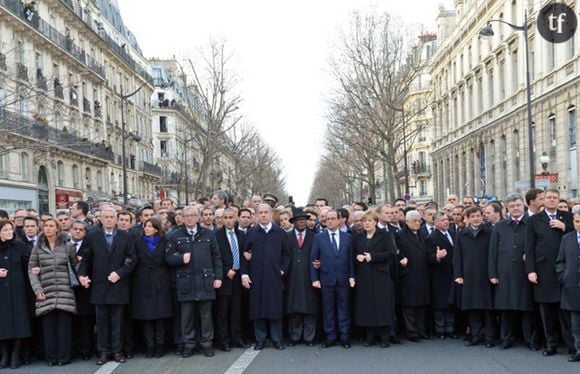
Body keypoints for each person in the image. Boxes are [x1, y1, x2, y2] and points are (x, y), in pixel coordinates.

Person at [77, 208, 137, 366]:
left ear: (116, 219)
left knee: (117, 321)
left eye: (112, 217)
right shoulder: (92, 236)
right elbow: (85, 259)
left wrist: (120, 273)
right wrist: (82, 275)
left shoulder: (126, 236)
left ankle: (117, 351)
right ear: (101, 220)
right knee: (102, 321)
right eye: (106, 217)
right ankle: (103, 352)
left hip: (118, 284)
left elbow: (131, 258)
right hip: (100, 285)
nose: (109, 220)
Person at [165, 206, 223, 358]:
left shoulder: (209, 234)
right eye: (186, 216)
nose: (190, 218)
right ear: (182, 218)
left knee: (206, 316)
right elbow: (168, 258)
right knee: (187, 317)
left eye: (193, 215)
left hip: (205, 281)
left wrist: (218, 277)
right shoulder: (175, 235)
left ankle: (206, 344)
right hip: (186, 282)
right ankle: (189, 345)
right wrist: (180, 258)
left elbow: (216, 257)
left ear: (198, 217)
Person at [525, 188, 574, 356]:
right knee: (546, 312)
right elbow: (529, 248)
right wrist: (530, 270)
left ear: (559, 199)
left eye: (555, 197)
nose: (552, 200)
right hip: (543, 271)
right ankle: (550, 344)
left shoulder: (568, 218)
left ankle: (571, 345)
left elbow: (577, 236)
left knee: (566, 310)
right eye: (549, 197)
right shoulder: (534, 220)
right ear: (543, 200)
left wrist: (564, 227)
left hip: (565, 270)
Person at [488, 193, 539, 351]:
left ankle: (531, 340)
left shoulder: (532, 223)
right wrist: (493, 274)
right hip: (505, 272)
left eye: (517, 205)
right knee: (506, 309)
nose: (515, 209)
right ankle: (506, 339)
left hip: (526, 272)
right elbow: (493, 252)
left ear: (523, 205)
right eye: (511, 206)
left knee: (527, 309)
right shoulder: (500, 226)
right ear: (507, 209)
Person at [28, 218, 77, 367]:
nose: (48, 229)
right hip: (46, 290)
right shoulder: (38, 247)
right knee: (48, 327)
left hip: (65, 290)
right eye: (46, 226)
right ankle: (51, 357)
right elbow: (32, 269)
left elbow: (75, 266)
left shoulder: (67, 246)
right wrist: (38, 290)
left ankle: (64, 357)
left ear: (57, 228)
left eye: (51, 226)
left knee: (64, 327)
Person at [241, 204, 291, 350]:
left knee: (275, 308)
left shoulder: (280, 233)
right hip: (255, 276)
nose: (263, 215)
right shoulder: (251, 233)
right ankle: (260, 339)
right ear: (256, 216)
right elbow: (244, 255)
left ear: (271, 215)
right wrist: (244, 274)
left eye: (266, 212)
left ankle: (277, 339)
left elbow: (286, 254)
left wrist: (282, 270)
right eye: (260, 213)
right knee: (257, 309)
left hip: (274, 277)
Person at [310, 210, 355, 349]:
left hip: (343, 278)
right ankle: (330, 336)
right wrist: (315, 278)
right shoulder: (319, 238)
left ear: (339, 220)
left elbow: (351, 259)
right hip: (326, 279)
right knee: (328, 310)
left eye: (333, 218)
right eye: (327, 219)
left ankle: (344, 336)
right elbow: (313, 259)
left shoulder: (347, 237)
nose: (330, 221)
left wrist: (352, 276)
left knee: (344, 308)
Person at [454, 206, 495, 348]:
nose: (476, 219)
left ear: (482, 216)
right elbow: (457, 256)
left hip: (485, 274)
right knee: (472, 308)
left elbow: (494, 255)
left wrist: (493, 274)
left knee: (488, 308)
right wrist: (458, 274)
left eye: (478, 216)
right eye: (473, 216)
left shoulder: (489, 232)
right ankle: (475, 335)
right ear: (468, 219)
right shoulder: (462, 234)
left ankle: (489, 336)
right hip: (468, 275)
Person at [131, 218, 172, 358]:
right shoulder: (137, 242)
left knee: (160, 316)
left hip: (160, 280)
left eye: (150, 226)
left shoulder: (164, 242)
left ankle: (160, 346)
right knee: (146, 316)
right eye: (145, 226)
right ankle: (150, 346)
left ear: (156, 228)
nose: (147, 229)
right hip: (143, 281)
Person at [354, 211, 395, 347]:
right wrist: (358, 257)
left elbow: (390, 253)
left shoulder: (385, 235)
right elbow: (354, 252)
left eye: (369, 221)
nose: (366, 223)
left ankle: (384, 338)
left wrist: (372, 257)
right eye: (364, 220)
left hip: (380, 274)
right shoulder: (359, 237)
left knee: (382, 306)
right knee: (368, 306)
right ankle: (369, 337)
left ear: (376, 222)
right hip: (364, 275)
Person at [214, 208, 249, 351]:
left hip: (238, 278)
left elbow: (243, 254)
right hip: (224, 278)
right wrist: (225, 270)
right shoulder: (216, 235)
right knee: (223, 312)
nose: (228, 220)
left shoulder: (241, 235)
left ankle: (237, 338)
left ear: (235, 218)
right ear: (222, 219)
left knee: (237, 310)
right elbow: (215, 256)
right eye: (225, 218)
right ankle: (223, 341)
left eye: (230, 217)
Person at [285, 209, 320, 346]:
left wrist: (320, 263)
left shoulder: (314, 237)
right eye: (299, 219)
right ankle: (294, 337)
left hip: (309, 276)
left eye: (304, 219)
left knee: (310, 309)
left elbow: (320, 254)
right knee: (294, 309)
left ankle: (309, 338)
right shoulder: (286, 237)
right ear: (293, 222)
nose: (302, 222)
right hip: (291, 278)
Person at [0, 220, 32, 369]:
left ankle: (16, 353)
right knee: (3, 322)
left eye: (10, 229)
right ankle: (5, 353)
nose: (8, 232)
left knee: (19, 321)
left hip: (18, 289)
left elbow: (29, 264)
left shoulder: (19, 246)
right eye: (5, 230)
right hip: (1, 292)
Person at [396, 210, 430, 342]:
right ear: (407, 221)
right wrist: (402, 259)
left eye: (419, 221)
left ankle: (421, 330)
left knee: (421, 305)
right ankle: (412, 332)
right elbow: (397, 252)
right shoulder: (400, 235)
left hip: (422, 274)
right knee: (409, 306)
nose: (417, 223)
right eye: (414, 221)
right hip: (409, 274)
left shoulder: (421, 233)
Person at [425, 211, 458, 339]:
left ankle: (451, 328)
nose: (446, 222)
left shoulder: (454, 234)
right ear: (436, 223)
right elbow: (428, 258)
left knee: (450, 303)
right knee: (440, 304)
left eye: (447, 219)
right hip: (439, 275)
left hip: (452, 273)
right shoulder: (431, 238)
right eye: (443, 220)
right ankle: (440, 329)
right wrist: (437, 257)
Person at [555, 211, 580, 362]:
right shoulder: (567, 239)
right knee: (575, 324)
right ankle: (578, 349)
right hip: (572, 286)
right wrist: (563, 276)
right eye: (577, 221)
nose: (579, 224)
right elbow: (560, 261)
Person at [70, 220, 94, 361]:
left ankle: (86, 350)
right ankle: (73, 349)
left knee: (86, 322)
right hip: (68, 290)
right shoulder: (65, 245)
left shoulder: (88, 246)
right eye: (75, 229)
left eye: (81, 229)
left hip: (85, 290)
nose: (78, 231)